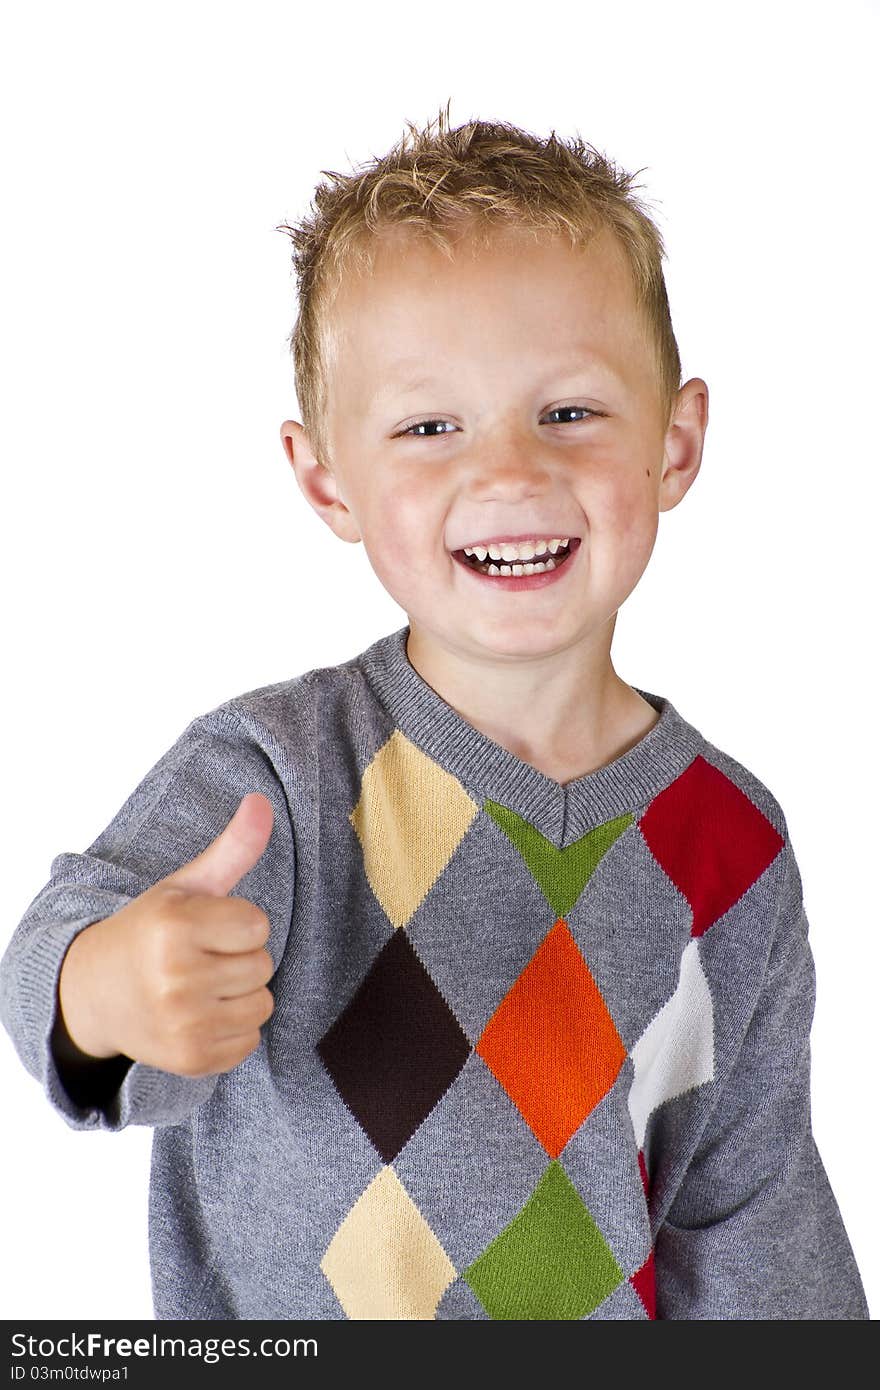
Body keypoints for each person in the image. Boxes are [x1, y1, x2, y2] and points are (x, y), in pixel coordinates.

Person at [0, 103, 869, 1321]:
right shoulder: (281, 775)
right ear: (325, 479)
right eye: (427, 426)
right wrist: (105, 989)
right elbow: (68, 940)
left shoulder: (733, 844)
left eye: (568, 411)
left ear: (675, 446)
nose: (508, 471)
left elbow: (749, 1206)